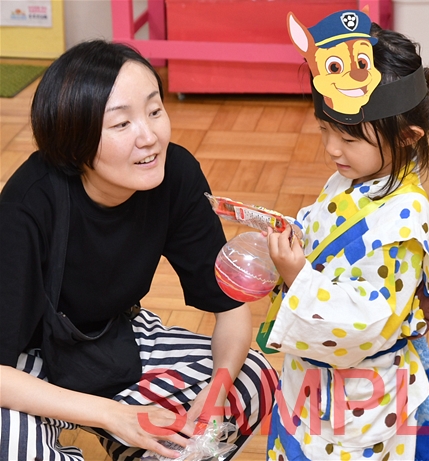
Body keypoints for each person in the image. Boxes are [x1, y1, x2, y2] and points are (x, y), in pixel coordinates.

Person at [0, 40, 277, 461]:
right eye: (121, 124)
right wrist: (114, 416)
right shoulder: (28, 204)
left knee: (250, 377)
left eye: (154, 111)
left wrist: (216, 392)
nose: (149, 137)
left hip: (115, 339)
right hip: (25, 362)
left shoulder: (175, 175)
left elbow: (230, 306)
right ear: (74, 139)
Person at [259, 9, 429, 461]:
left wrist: (299, 278)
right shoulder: (355, 177)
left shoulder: (404, 221)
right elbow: (329, 225)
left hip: (360, 395)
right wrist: (297, 235)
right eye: (326, 130)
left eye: (349, 140)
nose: (332, 148)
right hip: (316, 380)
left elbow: (367, 323)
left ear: (406, 137)